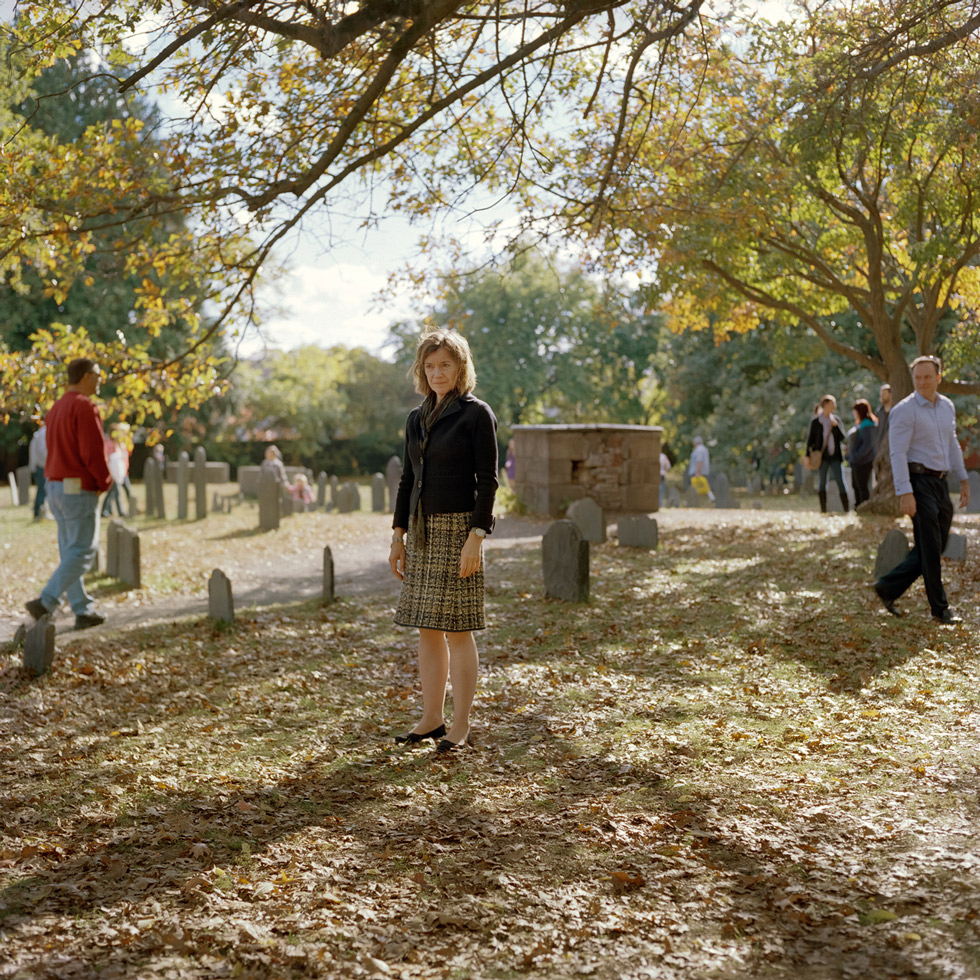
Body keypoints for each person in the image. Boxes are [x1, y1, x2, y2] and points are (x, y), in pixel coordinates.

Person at [389, 330, 498, 754]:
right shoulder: (416, 418)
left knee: (457, 629)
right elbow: (406, 480)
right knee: (427, 628)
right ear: (422, 370)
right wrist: (397, 536)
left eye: (445, 365)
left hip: (460, 531)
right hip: (420, 531)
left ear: (460, 368)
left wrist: (477, 536)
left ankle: (460, 724)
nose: (437, 373)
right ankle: (432, 718)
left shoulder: (476, 414)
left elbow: (487, 481)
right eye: (430, 366)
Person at [873, 356, 970, 625]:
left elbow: (952, 445)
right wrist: (905, 492)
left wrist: (963, 478)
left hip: (940, 482)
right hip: (917, 482)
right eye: (918, 378)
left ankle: (888, 587)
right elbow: (897, 453)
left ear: (938, 378)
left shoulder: (947, 407)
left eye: (928, 377)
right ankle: (940, 609)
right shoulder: (904, 410)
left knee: (933, 546)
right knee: (930, 546)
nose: (922, 382)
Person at [24, 358, 112, 630]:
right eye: (98, 374)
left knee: (70, 552)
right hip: (77, 488)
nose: (101, 379)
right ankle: (46, 600)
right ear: (86, 376)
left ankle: (82, 610)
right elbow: (92, 451)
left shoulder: (57, 408)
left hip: (55, 486)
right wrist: (105, 481)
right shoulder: (84, 406)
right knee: (84, 551)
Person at [806, 395, 849, 513]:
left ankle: (846, 509)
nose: (833, 407)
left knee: (841, 481)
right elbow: (810, 440)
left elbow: (842, 438)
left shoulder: (836, 420)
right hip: (822, 457)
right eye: (831, 405)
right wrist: (807, 457)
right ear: (824, 405)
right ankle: (823, 509)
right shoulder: (816, 422)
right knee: (822, 482)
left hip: (835, 456)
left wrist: (836, 426)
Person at [847, 399, 878, 507]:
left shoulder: (867, 425)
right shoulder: (862, 424)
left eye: (855, 411)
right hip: (858, 461)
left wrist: (856, 456)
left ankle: (863, 507)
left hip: (863, 461)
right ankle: (858, 506)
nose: (853, 413)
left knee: (862, 487)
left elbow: (867, 445)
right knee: (856, 485)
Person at [28, 422, 47, 520]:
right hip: (41, 466)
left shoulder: (38, 433)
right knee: (42, 489)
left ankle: (40, 511)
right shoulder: (43, 433)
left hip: (37, 466)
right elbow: (44, 452)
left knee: (41, 489)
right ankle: (38, 512)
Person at [687, 436, 714, 500]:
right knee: (703, 486)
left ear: (696, 442)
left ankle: (710, 498)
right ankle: (710, 498)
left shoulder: (699, 450)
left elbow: (699, 461)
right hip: (702, 472)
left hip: (698, 472)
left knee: (697, 487)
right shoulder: (704, 449)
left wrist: (698, 472)